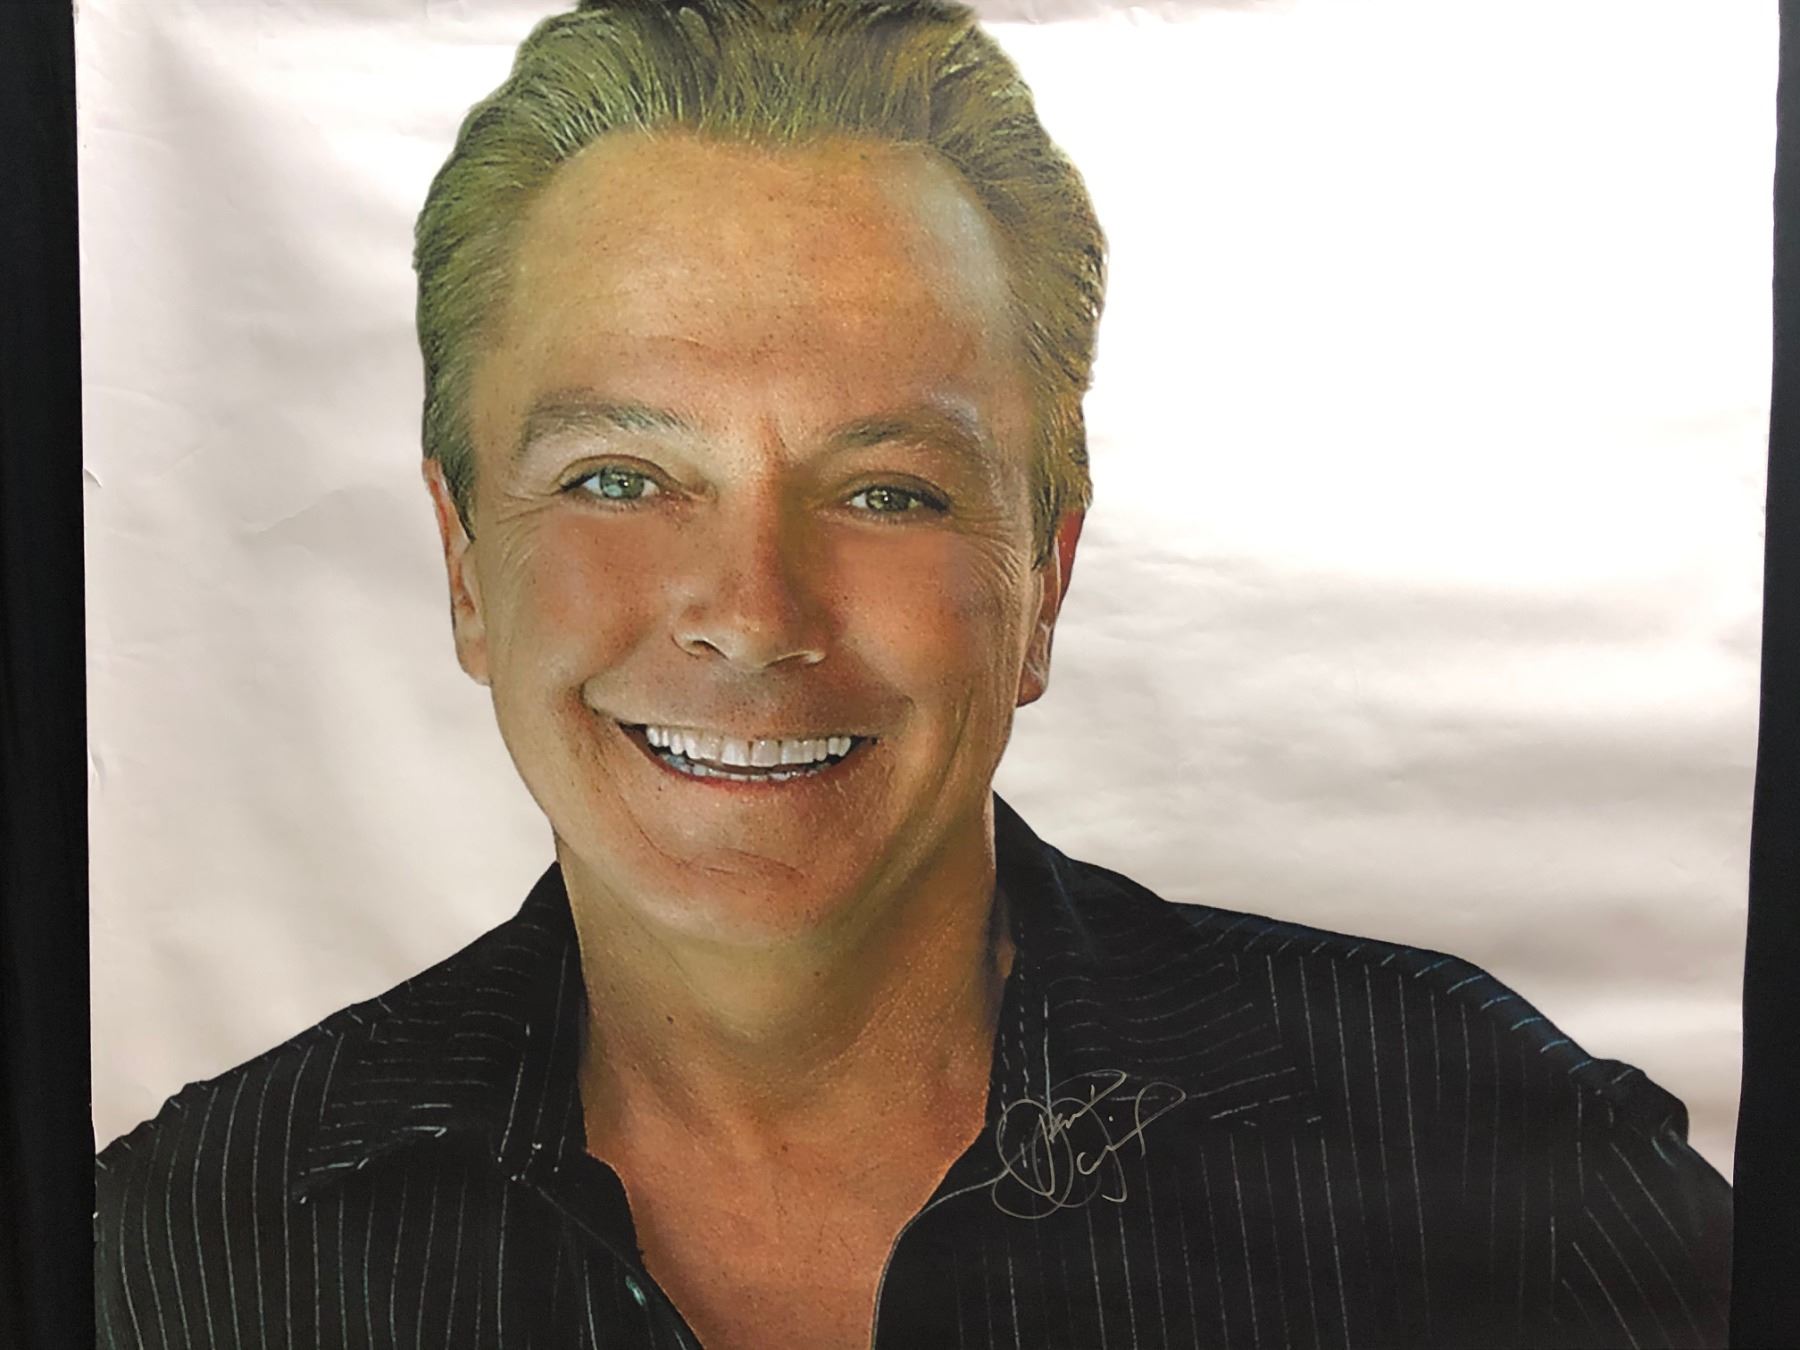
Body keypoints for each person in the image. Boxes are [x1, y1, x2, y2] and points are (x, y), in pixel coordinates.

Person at [94, 2, 1732, 1346]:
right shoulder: (178, 1249)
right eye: (619, 475)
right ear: (466, 563)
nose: (754, 614)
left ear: (1045, 582)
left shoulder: (1504, 1161)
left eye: (888, 492)